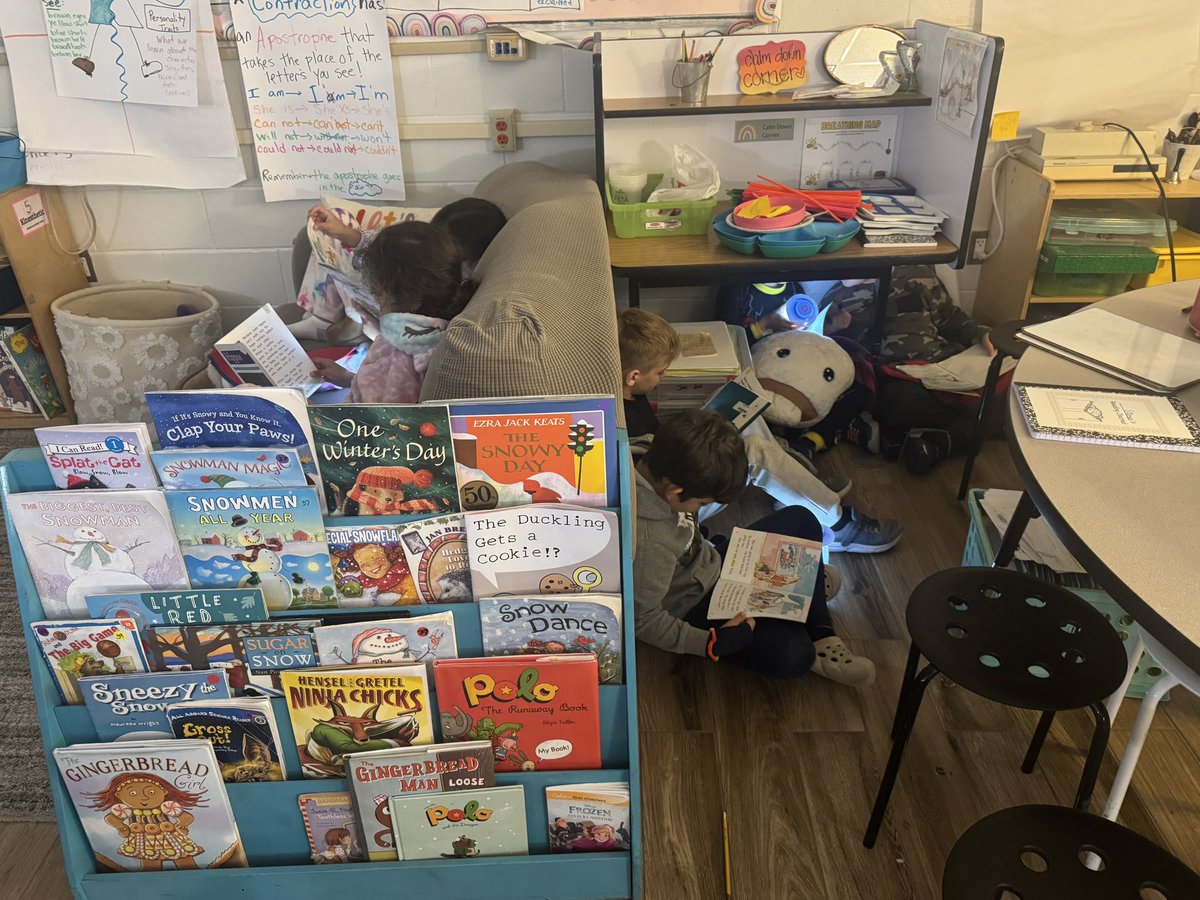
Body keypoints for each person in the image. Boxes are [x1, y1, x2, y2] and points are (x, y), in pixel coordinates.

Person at [618, 308, 902, 554]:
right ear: (633, 376)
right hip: (672, 500)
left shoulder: (626, 390)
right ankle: (838, 526)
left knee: (739, 412)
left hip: (669, 464)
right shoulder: (620, 418)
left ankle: (796, 488)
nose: (663, 376)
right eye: (660, 372)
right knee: (753, 451)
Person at [632, 408, 875, 684]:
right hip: (695, 606)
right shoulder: (650, 542)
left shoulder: (651, 452)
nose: (700, 508)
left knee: (802, 517)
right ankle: (807, 598)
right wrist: (709, 643)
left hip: (713, 563)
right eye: (701, 503)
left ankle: (819, 627)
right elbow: (644, 620)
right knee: (793, 655)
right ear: (674, 491)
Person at [292, 197, 506, 342]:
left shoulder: (442, 290)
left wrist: (377, 330)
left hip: (391, 311)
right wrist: (345, 233)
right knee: (340, 218)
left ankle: (345, 319)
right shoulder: (439, 257)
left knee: (377, 265)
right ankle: (326, 318)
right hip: (383, 301)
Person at [310, 221, 476, 403]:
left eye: (377, 292)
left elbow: (380, 411)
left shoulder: (404, 352)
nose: (376, 300)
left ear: (409, 298)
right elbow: (381, 386)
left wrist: (311, 412)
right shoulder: (426, 332)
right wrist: (347, 378)